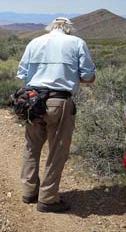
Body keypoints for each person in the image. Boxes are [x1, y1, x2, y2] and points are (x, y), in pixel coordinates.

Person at [16, 17, 96, 213]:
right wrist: (68, 76)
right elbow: (88, 76)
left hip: (32, 100)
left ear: (50, 28)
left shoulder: (34, 42)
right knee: (57, 151)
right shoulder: (77, 42)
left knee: (31, 146)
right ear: (68, 29)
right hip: (59, 102)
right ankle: (48, 198)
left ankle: (29, 191)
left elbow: (22, 74)